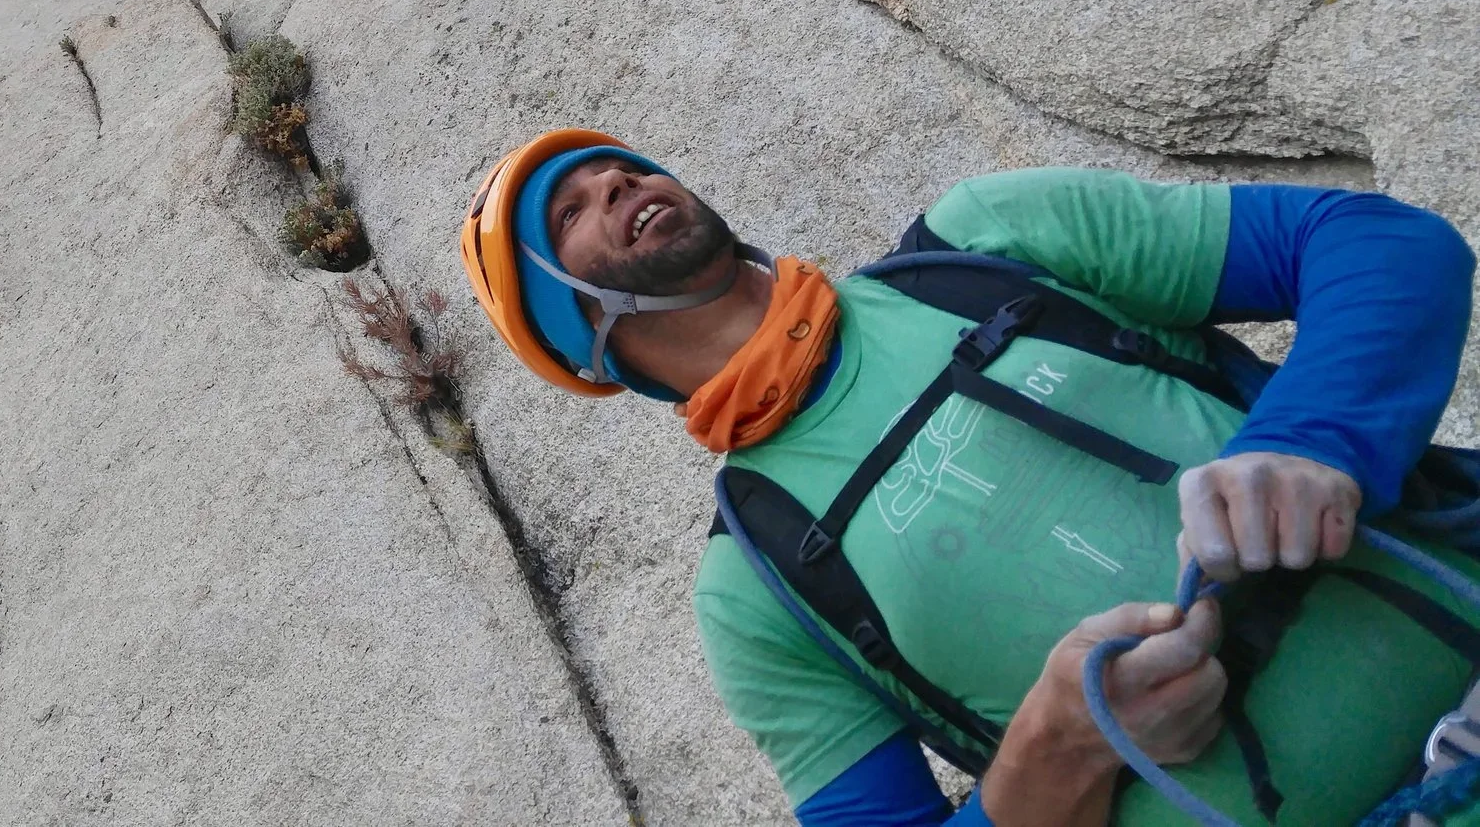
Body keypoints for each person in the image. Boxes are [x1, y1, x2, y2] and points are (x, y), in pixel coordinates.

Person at [459, 130, 1479, 827]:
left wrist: (1313, 438)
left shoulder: (983, 240)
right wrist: (1055, 748)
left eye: (620, 169)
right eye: (571, 214)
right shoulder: (750, 589)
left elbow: (1376, 243)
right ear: (572, 330)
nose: (620, 187)